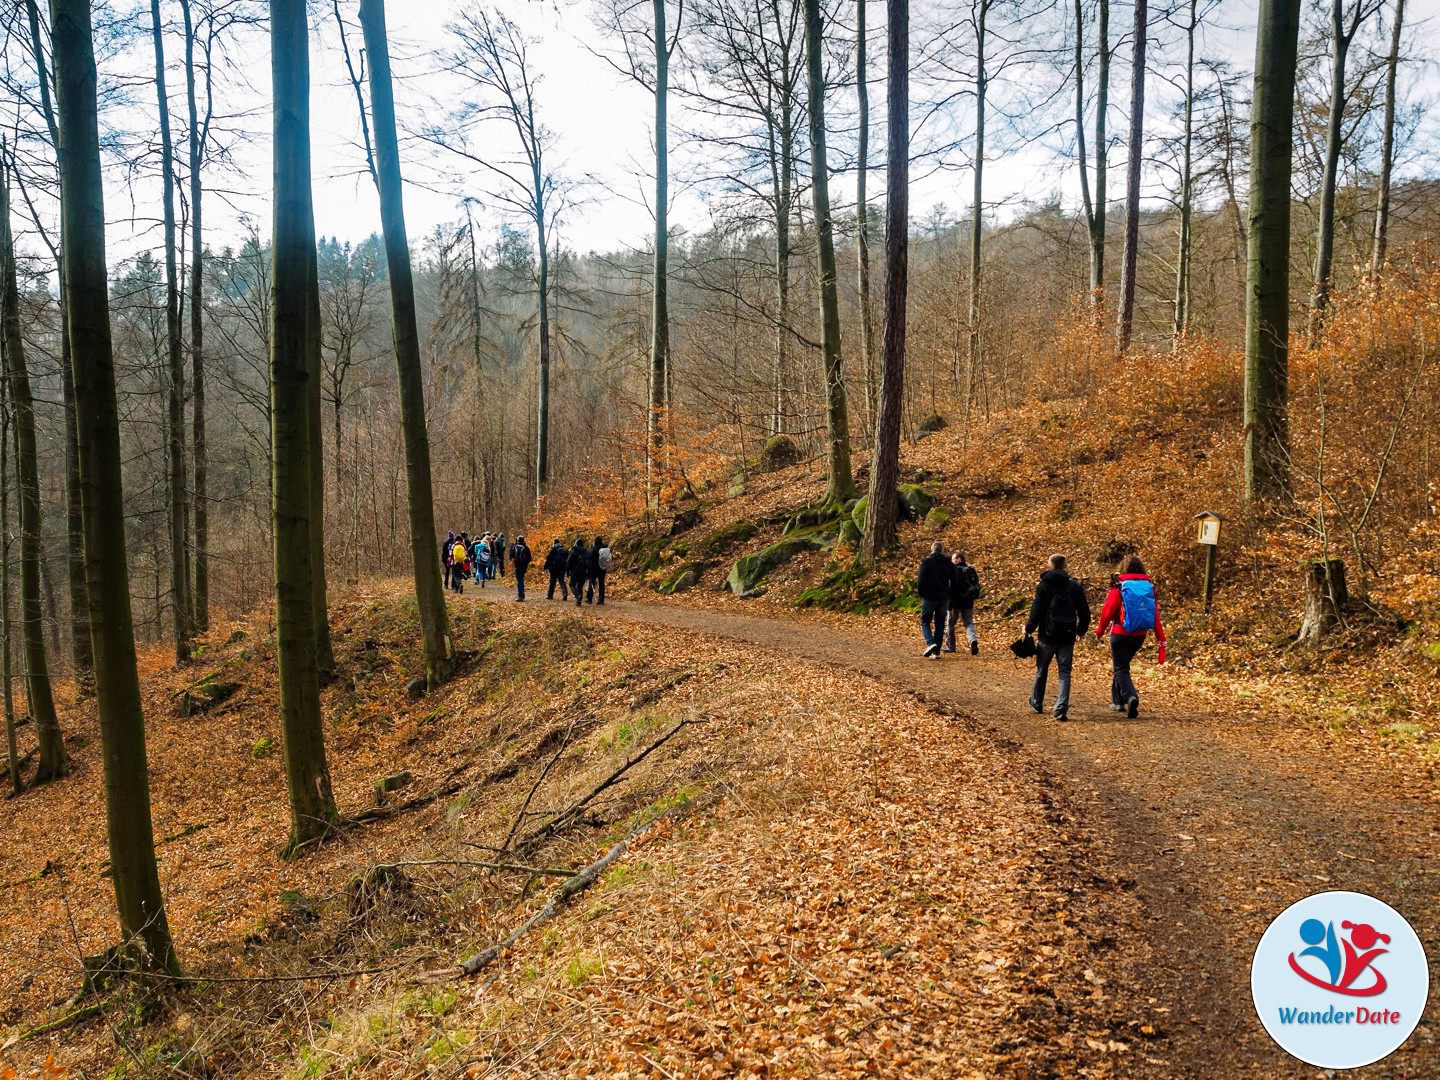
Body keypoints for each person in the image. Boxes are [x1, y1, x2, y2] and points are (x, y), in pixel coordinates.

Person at [1095, 555, 1167, 717]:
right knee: (1122, 666)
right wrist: (1160, 638)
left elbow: (1107, 612)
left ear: (1123, 569)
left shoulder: (1120, 587)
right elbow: (1155, 615)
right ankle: (1117, 701)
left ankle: (1130, 697)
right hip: (1139, 634)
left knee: (1121, 668)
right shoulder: (1148, 587)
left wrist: (1100, 631)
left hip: (1120, 633)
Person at [1023, 553, 1090, 721]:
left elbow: (1036, 613)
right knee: (1065, 672)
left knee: (1041, 670)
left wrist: (1028, 629)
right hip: (1067, 636)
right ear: (1065, 567)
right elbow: (1084, 612)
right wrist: (1080, 631)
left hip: (1047, 635)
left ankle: (1036, 702)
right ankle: (1061, 709)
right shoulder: (1074, 586)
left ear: (1049, 567)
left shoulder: (1043, 586)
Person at [915, 541, 953, 659]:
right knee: (940, 623)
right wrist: (949, 594)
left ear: (932, 550)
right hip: (943, 597)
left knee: (925, 621)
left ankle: (931, 643)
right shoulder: (948, 563)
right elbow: (955, 580)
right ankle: (936, 652)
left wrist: (922, 593)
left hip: (929, 596)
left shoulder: (927, 562)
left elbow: (921, 580)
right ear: (941, 550)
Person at [945, 552, 981, 655]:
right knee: (968, 623)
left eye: (953, 559)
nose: (952, 562)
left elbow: (951, 588)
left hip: (955, 602)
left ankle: (950, 646)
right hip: (968, 602)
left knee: (950, 624)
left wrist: (949, 606)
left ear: (959, 559)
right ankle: (973, 640)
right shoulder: (971, 570)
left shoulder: (954, 570)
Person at [567, 538, 590, 608]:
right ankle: (578, 601)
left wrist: (568, 571)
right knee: (580, 586)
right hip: (584, 571)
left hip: (575, 571)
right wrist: (588, 572)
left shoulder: (573, 551)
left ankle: (578, 596)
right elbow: (589, 563)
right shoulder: (586, 552)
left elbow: (569, 562)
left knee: (572, 584)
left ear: (576, 544)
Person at [587, 536, 610, 605]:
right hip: (603, 568)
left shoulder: (594, 549)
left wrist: (589, 569)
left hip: (595, 568)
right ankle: (601, 599)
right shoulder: (606, 548)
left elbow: (590, 559)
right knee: (601, 583)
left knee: (592, 582)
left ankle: (589, 598)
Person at [509, 534, 533, 601]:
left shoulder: (515, 547)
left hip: (517, 565)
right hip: (524, 566)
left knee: (519, 580)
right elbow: (529, 558)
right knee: (521, 579)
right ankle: (522, 593)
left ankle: (520, 595)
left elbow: (511, 556)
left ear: (517, 540)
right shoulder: (526, 548)